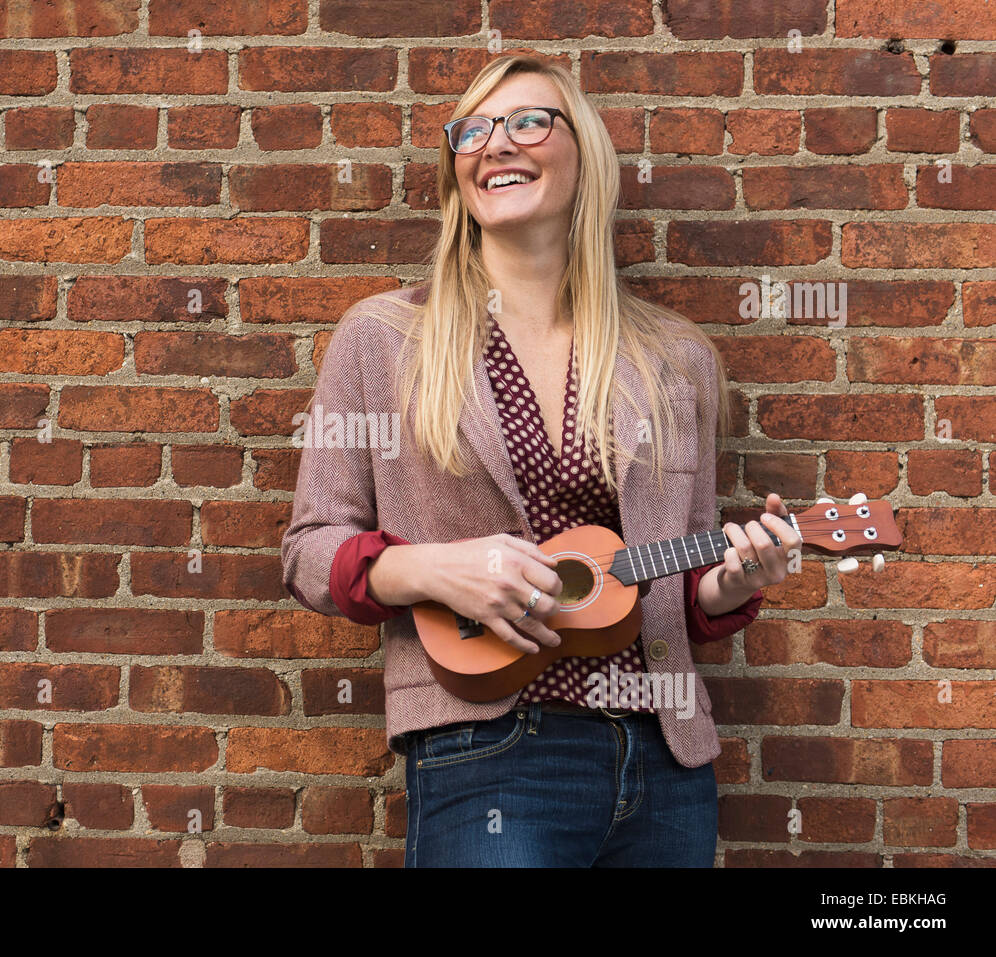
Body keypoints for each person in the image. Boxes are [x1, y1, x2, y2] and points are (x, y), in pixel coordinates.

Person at [280, 55, 802, 867]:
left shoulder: (676, 358)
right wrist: (433, 569)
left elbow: (677, 581)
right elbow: (311, 551)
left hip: (662, 758)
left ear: (583, 154)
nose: (496, 144)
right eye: (473, 131)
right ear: (456, 171)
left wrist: (735, 580)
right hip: (485, 751)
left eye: (527, 121)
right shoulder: (383, 340)